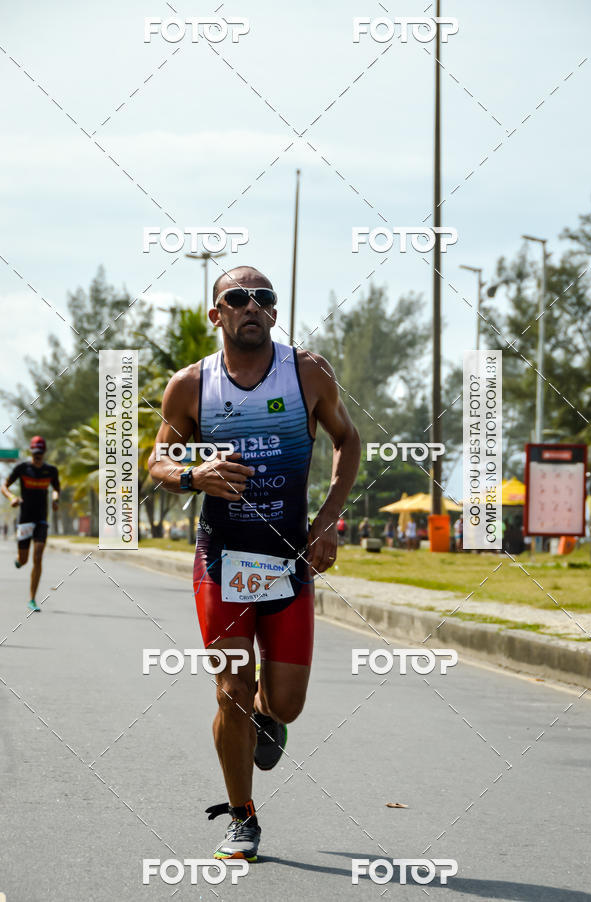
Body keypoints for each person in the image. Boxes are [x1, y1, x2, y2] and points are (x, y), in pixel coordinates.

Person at [148, 266, 361, 861]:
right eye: (236, 299)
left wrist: (326, 523)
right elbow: (157, 463)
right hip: (223, 560)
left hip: (289, 558)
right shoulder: (191, 386)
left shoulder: (307, 372)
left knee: (284, 703)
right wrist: (194, 475)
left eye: (263, 298)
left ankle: (271, 717)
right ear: (216, 315)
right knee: (231, 691)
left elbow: (348, 439)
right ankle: (242, 816)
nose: (252, 306)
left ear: (274, 311)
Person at [1, 436, 60, 611]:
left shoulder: (51, 471)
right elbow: (4, 486)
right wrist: (12, 497)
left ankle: (32, 599)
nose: (37, 457)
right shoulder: (22, 469)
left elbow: (56, 488)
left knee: (38, 555)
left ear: (44, 453)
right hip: (25, 519)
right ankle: (19, 560)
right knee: (25, 560)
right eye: (34, 453)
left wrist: (55, 500)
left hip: (41, 519)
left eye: (40, 454)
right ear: (30, 452)